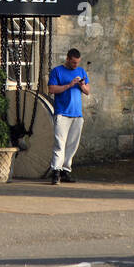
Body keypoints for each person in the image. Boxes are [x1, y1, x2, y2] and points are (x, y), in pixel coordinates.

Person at [46, 48, 90, 183]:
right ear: (68, 59)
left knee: (72, 144)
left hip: (77, 114)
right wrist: (69, 84)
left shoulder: (81, 71)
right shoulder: (57, 71)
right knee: (60, 143)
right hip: (62, 113)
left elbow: (87, 91)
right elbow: (51, 89)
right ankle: (56, 172)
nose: (75, 65)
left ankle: (66, 171)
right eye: (73, 63)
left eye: (77, 63)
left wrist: (82, 85)